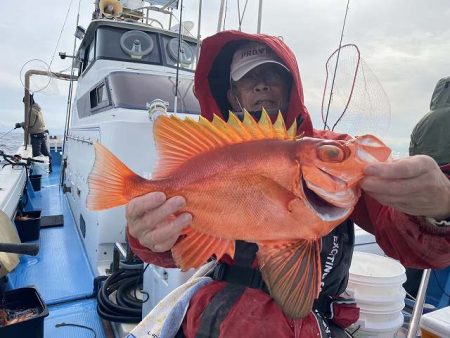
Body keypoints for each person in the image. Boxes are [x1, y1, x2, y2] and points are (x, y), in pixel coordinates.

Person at [126, 31, 450, 337]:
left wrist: (439, 208)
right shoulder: (211, 154)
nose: (262, 86)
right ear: (233, 96)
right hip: (224, 312)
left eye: (272, 75)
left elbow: (405, 238)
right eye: (249, 78)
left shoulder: (326, 150)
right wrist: (146, 236)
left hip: (315, 315)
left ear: (291, 85)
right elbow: (175, 243)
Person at [404, 76, 450, 297]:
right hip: (444, 205)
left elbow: (413, 157)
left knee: (417, 255)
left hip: (418, 202)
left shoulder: (423, 122)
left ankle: (409, 299)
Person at [15, 96, 52, 171]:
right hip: (42, 133)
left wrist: (20, 124)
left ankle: (39, 171)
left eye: (25, 102)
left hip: (36, 136)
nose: (25, 104)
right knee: (45, 152)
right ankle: (50, 166)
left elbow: (30, 124)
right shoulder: (37, 108)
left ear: (28, 102)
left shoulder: (32, 110)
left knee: (36, 154)